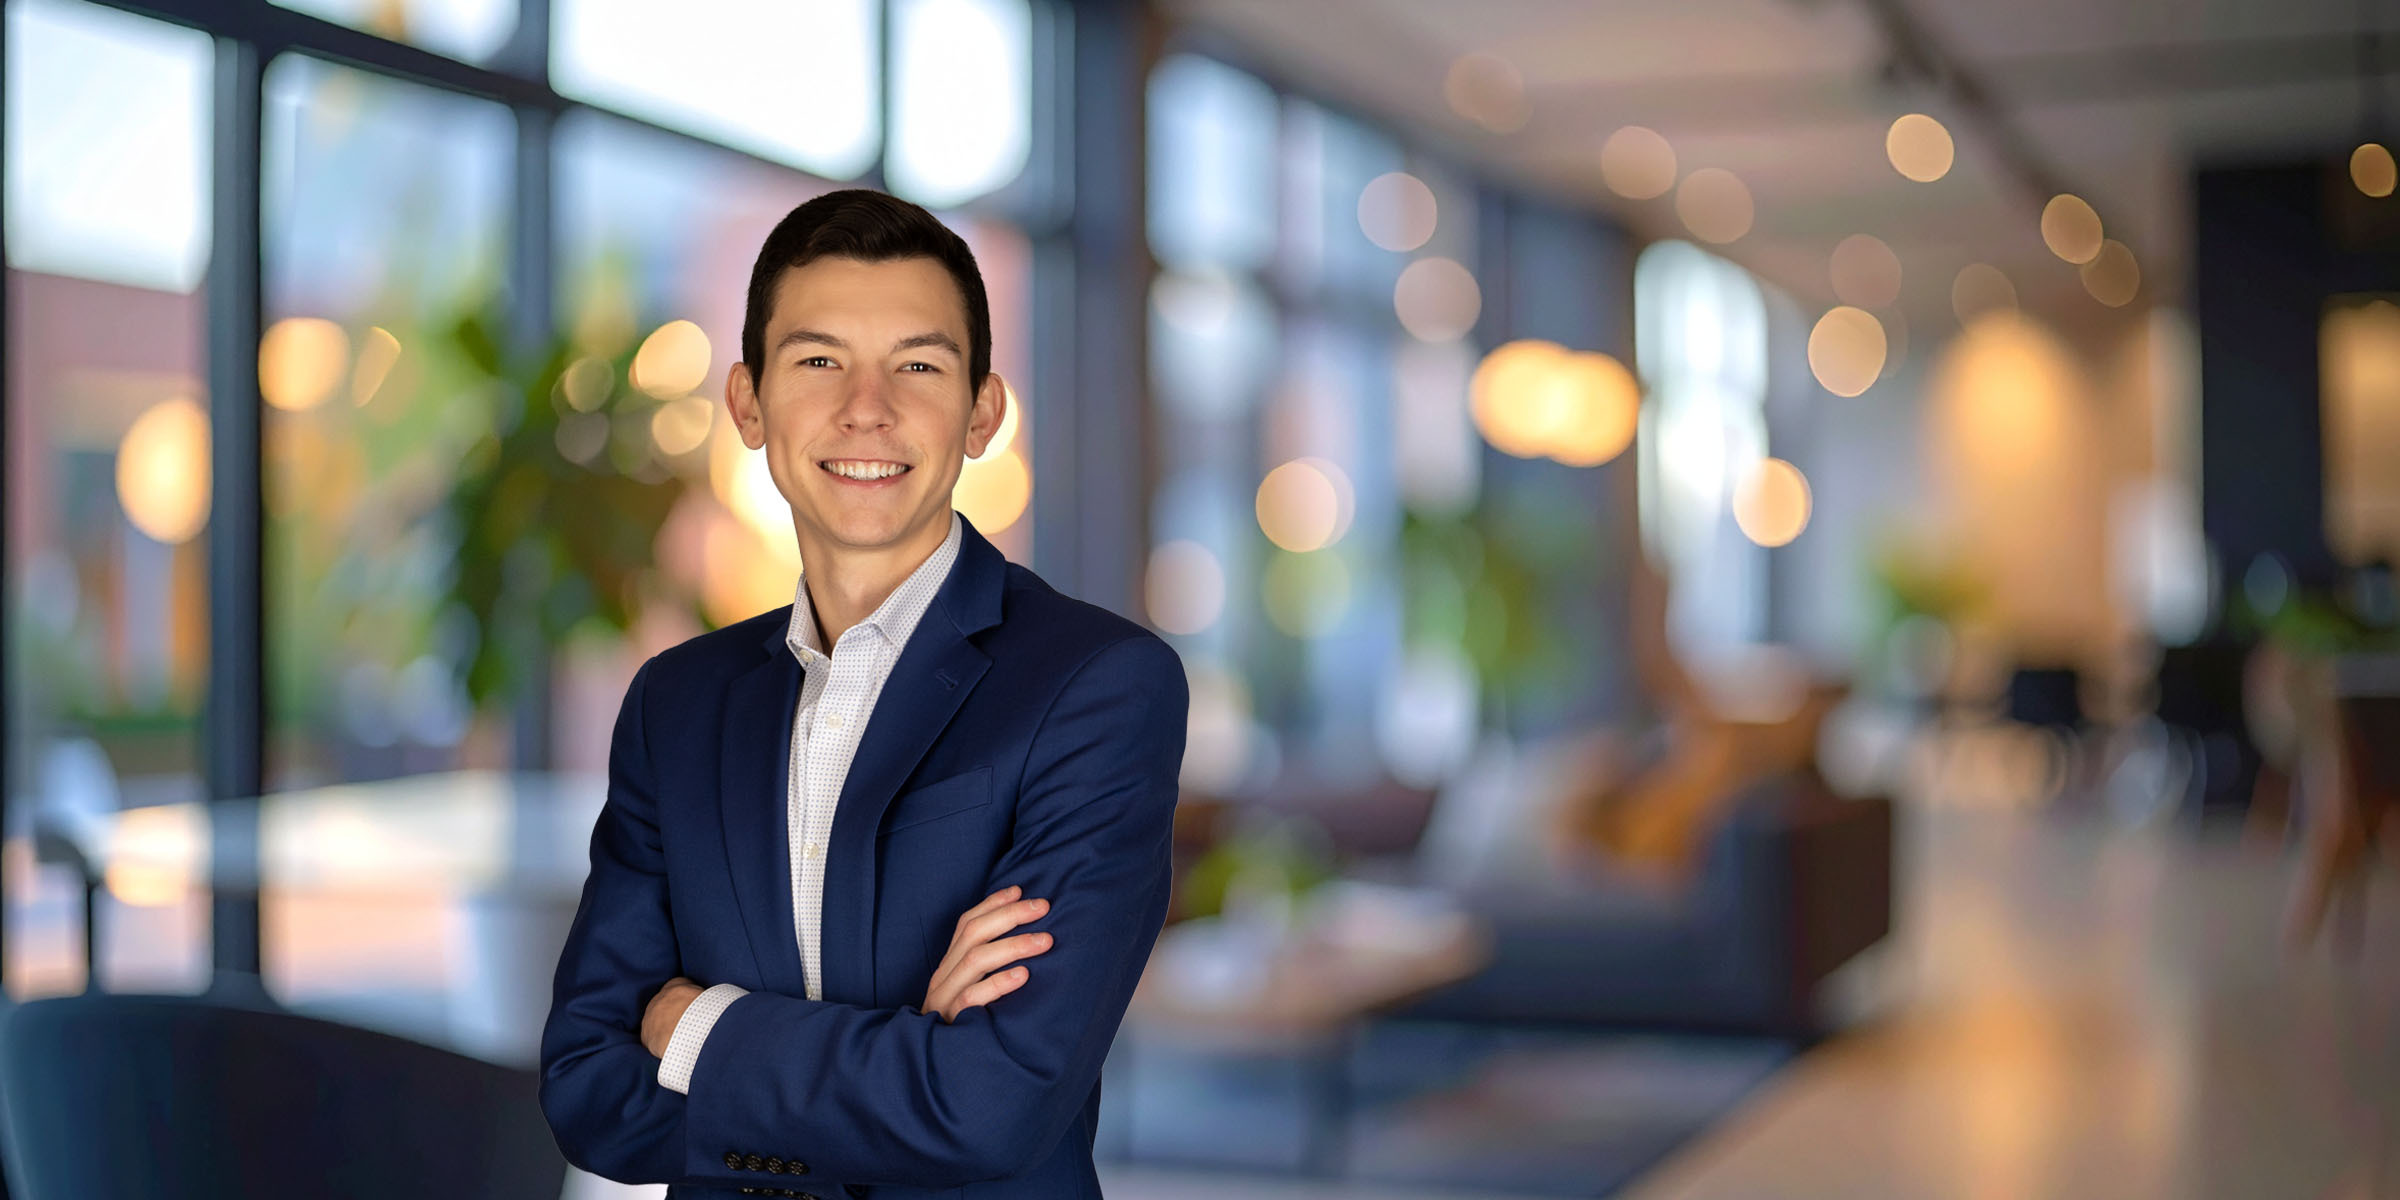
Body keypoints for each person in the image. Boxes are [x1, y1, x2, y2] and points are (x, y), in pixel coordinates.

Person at [538, 189, 1190, 1200]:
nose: (866, 409)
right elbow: (589, 1093)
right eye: (818, 361)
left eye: (918, 366)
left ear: (983, 411)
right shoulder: (677, 703)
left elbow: (991, 1106)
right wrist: (910, 1045)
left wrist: (693, 1025)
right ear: (749, 403)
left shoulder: (1096, 686)